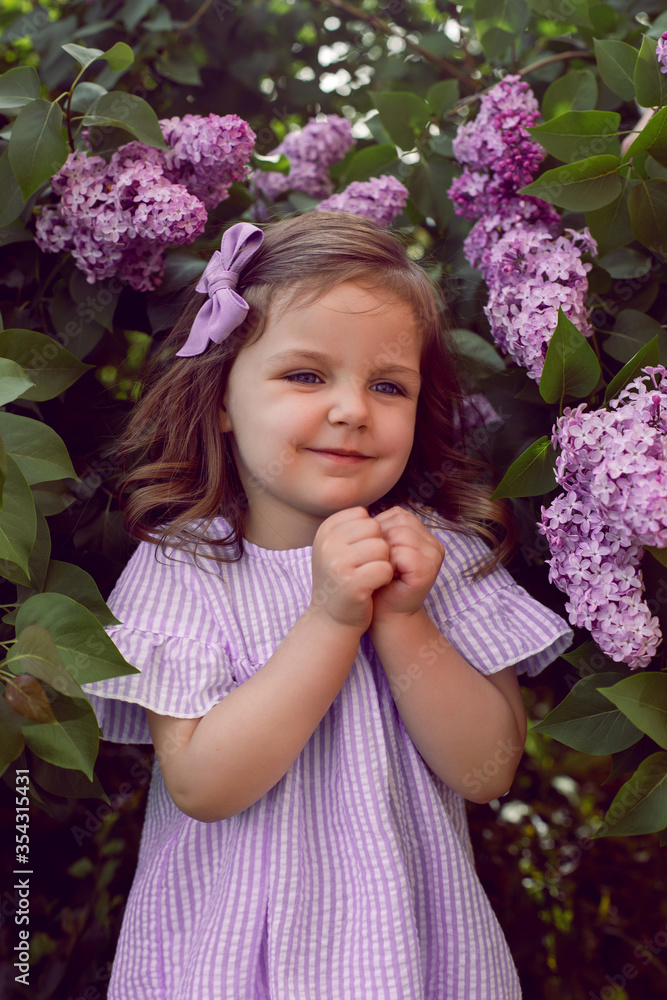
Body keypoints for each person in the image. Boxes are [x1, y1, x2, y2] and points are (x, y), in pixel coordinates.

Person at [83, 211, 572, 1000]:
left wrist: (402, 618)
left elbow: (487, 771)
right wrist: (330, 620)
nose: (351, 409)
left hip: (415, 957)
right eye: (306, 376)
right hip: (228, 960)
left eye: (387, 385)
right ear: (219, 398)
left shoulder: (436, 556)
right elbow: (205, 785)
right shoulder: (186, 565)